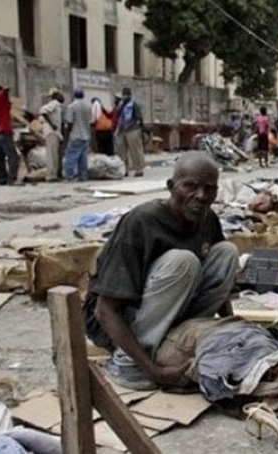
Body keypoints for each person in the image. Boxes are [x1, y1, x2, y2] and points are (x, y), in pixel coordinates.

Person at [84, 152, 239, 390]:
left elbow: (219, 279)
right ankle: (126, 364)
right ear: (171, 186)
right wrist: (153, 370)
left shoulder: (207, 219)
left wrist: (231, 324)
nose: (201, 196)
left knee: (227, 252)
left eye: (210, 189)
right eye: (191, 186)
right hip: (116, 320)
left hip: (166, 311)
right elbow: (105, 309)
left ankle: (170, 341)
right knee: (184, 261)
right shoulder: (141, 222)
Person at [0, 85, 20, 185]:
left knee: (0, 157)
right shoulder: (0, 99)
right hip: (5, 130)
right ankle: (12, 179)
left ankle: (1, 179)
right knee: (13, 155)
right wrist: (5, 89)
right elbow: (5, 92)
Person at [62, 87, 92, 182]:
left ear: (74, 95)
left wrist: (67, 133)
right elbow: (90, 121)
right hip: (86, 135)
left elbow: (70, 122)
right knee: (83, 158)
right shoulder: (88, 106)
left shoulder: (72, 106)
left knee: (70, 157)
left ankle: (69, 176)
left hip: (76, 135)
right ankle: (83, 176)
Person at [115, 87, 145, 177]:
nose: (124, 97)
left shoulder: (134, 105)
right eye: (124, 95)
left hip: (133, 130)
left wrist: (140, 129)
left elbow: (139, 118)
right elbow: (117, 114)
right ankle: (125, 170)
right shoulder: (121, 104)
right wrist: (119, 105)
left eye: (126, 95)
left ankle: (139, 170)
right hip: (122, 130)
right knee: (121, 152)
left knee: (135, 151)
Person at [39, 88, 64, 181]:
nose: (62, 97)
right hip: (51, 132)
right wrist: (52, 124)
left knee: (54, 154)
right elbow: (43, 111)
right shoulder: (54, 103)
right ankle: (51, 176)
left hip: (54, 133)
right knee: (51, 154)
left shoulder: (57, 105)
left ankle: (53, 174)